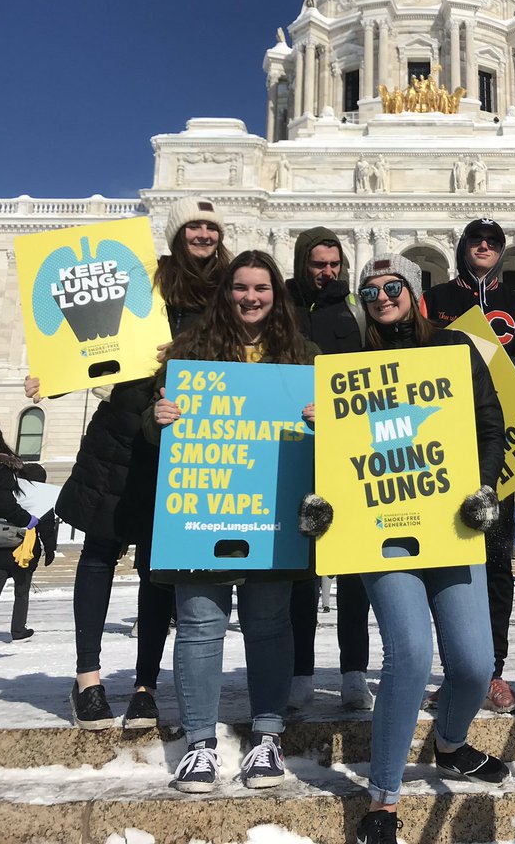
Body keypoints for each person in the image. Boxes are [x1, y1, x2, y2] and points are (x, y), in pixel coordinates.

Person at [300, 254, 508, 844]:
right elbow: (340, 454)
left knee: (473, 663)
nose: (383, 297)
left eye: (393, 288)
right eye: (370, 292)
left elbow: (489, 425)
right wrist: (324, 435)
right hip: (380, 526)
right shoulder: (349, 366)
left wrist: (485, 487)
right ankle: (384, 798)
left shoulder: (456, 350)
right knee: (410, 654)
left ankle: (448, 741)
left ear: (414, 294)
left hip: (450, 519)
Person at [25, 197, 232, 731]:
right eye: (194, 227)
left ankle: (145, 684)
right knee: (99, 549)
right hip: (124, 429)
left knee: (156, 566)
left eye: (211, 227)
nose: (203, 235)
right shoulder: (140, 277)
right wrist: (54, 374)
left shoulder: (230, 289)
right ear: (176, 233)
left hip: (190, 436)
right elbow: (91, 332)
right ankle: (87, 678)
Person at [146, 250, 319, 793]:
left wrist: (324, 420)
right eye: (241, 287)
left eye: (261, 288)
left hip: (272, 506)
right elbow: (153, 433)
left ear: (276, 295)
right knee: (199, 623)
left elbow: (334, 436)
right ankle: (200, 743)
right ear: (227, 294)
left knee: (270, 624)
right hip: (204, 501)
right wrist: (158, 418)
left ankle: (267, 733)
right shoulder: (190, 353)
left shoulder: (304, 357)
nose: (251, 297)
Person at [422, 218, 515, 713]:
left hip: (496, 439)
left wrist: (499, 368)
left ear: (502, 251)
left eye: (493, 242)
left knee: (498, 561)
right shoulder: (433, 300)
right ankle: (457, 670)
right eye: (476, 241)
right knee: (448, 560)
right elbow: (412, 354)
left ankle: (494, 670)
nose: (485, 247)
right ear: (462, 248)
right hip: (440, 439)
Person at [285, 227, 372, 711]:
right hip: (294, 445)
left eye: (334, 264)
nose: (328, 272)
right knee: (301, 570)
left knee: (352, 568)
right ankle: (299, 670)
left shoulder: (355, 309)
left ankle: (354, 672)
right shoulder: (283, 305)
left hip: (347, 448)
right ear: (303, 262)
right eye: (319, 264)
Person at [0, 422, 56, 641]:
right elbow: (46, 526)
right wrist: (50, 548)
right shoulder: (35, 495)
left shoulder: (11, 482)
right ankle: (18, 629)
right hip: (23, 551)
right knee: (22, 592)